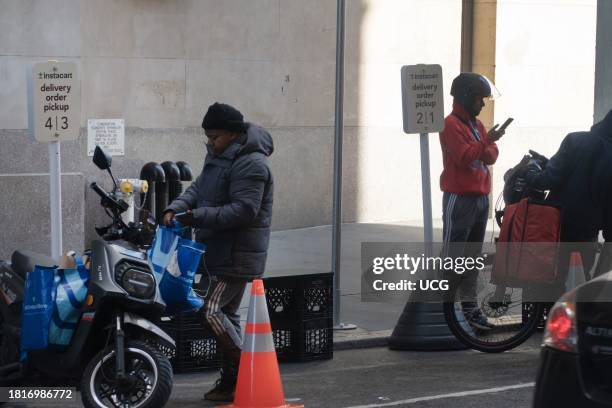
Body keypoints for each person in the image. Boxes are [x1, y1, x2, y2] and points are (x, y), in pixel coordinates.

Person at [163, 102, 274, 402]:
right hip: (217, 249)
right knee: (225, 315)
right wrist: (176, 208)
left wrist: (196, 216)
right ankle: (233, 384)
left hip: (238, 252)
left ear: (233, 134)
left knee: (208, 310)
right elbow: (199, 188)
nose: (210, 142)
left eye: (215, 137)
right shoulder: (218, 156)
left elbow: (245, 210)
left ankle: (249, 367)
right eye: (208, 137)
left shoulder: (252, 163)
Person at [439, 73, 505, 330]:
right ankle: (445, 310)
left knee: (472, 258)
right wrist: (486, 143)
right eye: (480, 99)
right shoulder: (450, 125)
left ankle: (469, 308)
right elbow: (465, 156)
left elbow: (491, 156)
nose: (483, 104)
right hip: (460, 197)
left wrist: (487, 143)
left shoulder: (476, 126)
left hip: (479, 198)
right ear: (466, 97)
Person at [525, 109, 612, 286]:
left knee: (549, 280)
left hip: (557, 227)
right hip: (588, 232)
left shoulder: (576, 140)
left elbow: (547, 180)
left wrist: (531, 172)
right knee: (579, 281)